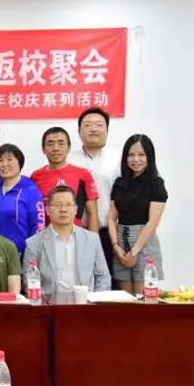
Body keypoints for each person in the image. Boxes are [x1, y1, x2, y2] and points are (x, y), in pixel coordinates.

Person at [23, 185, 111, 295]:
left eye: (68, 205)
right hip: (50, 303)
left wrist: (95, 300)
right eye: (57, 205)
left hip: (86, 302)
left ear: (75, 210)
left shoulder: (91, 239)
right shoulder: (33, 243)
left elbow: (103, 276)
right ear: (47, 210)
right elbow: (29, 281)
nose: (63, 210)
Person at [108, 134, 167, 295]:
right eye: (131, 155)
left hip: (144, 245)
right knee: (124, 300)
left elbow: (153, 222)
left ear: (149, 157)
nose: (136, 159)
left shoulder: (156, 183)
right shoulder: (120, 183)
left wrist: (134, 252)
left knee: (143, 300)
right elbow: (112, 218)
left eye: (141, 155)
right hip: (120, 245)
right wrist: (115, 246)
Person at [68, 107, 120, 287]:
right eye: (88, 125)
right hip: (76, 232)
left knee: (110, 283)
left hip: (111, 233)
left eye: (99, 125)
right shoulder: (68, 159)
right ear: (79, 131)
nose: (93, 129)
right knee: (79, 283)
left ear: (107, 130)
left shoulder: (119, 159)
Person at [31, 127, 99, 232]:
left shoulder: (83, 174)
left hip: (75, 236)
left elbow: (92, 214)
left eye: (61, 143)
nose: (56, 148)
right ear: (43, 149)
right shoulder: (36, 176)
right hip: (45, 237)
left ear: (69, 148)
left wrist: (93, 240)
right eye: (50, 144)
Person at [0, 144, 45, 256]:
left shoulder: (31, 190)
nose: (5, 164)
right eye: (0, 160)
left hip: (22, 255)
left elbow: (38, 226)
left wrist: (31, 255)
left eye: (10, 160)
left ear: (20, 162)